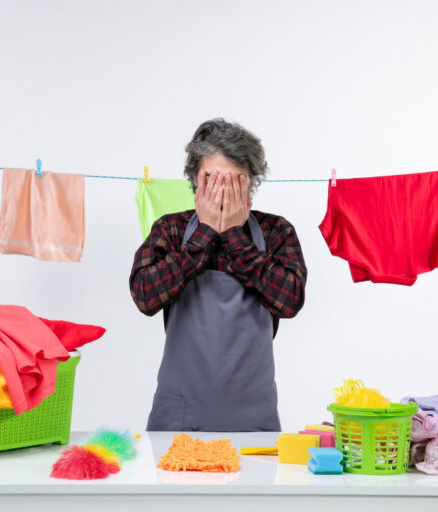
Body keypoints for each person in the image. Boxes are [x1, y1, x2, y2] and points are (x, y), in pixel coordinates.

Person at [129, 118, 307, 432]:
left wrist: (236, 236)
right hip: (179, 416)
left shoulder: (276, 231)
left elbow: (290, 301)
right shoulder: (170, 229)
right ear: (195, 183)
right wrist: (206, 233)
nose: (222, 192)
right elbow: (145, 296)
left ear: (251, 183)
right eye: (211, 181)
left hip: (253, 416)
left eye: (234, 182)